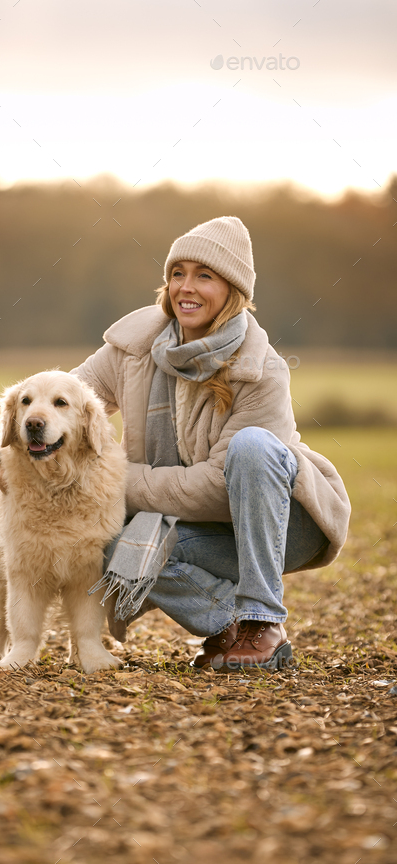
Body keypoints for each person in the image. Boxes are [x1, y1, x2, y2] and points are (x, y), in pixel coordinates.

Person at [72, 216, 351, 670]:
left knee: (253, 447)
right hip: (204, 533)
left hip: (281, 526)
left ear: (233, 292)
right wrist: (10, 441)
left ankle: (262, 619)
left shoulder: (262, 369)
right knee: (107, 547)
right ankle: (230, 627)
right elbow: (66, 397)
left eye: (204, 276)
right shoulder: (133, 346)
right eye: (178, 273)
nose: (187, 287)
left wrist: (110, 480)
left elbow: (217, 486)